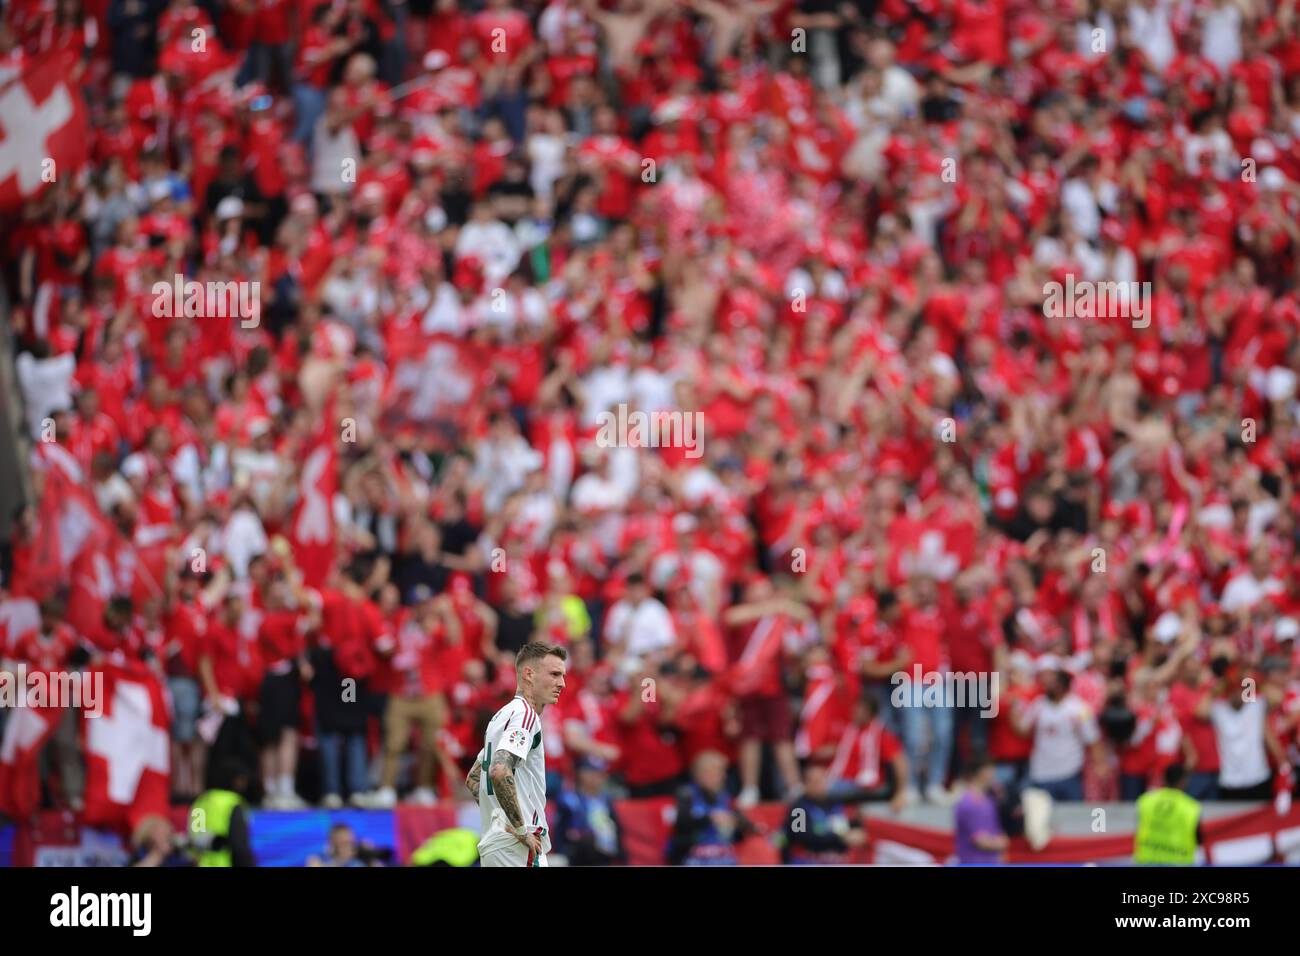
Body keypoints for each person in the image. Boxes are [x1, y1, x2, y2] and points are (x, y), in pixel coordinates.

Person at [464, 641, 568, 867]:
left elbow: (473, 778)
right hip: (518, 845)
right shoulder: (525, 716)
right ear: (529, 674)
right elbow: (499, 770)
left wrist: (498, 819)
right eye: (554, 674)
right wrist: (520, 829)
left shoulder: (501, 716)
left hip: (497, 843)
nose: (562, 683)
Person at [1015, 662, 1108, 801]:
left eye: (1053, 682)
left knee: (1072, 818)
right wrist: (1013, 711)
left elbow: (1092, 738)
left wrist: (1100, 764)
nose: (1047, 685)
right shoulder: (1038, 705)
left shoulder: (1079, 709)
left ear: (1063, 684)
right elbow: (1023, 730)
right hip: (1042, 772)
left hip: (1069, 772)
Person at [667, 750, 758, 866]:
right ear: (702, 773)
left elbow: (745, 827)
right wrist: (710, 819)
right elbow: (681, 825)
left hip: (725, 859)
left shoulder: (725, 797)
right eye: (718, 772)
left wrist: (735, 821)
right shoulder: (686, 794)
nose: (723, 776)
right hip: (694, 859)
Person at [781, 762, 867, 865]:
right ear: (805, 784)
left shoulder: (836, 804)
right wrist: (841, 839)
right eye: (816, 781)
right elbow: (803, 837)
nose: (821, 785)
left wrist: (857, 832)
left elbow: (852, 825)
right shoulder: (798, 809)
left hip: (835, 861)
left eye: (823, 780)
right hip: (805, 861)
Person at [552, 756, 625, 866]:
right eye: (593, 773)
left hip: (604, 854)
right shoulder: (569, 799)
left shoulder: (606, 800)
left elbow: (617, 831)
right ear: (582, 774)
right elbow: (561, 832)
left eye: (601, 774)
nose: (599, 778)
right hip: (577, 855)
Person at [188, 757, 257, 867]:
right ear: (234, 780)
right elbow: (239, 847)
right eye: (241, 780)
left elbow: (194, 840)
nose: (244, 784)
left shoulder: (200, 801)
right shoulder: (231, 802)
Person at [1133, 763, 1203, 865]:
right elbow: (1199, 839)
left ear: (1164, 778)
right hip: (1179, 861)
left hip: (1147, 860)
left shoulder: (1146, 800)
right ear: (1183, 781)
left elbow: (1139, 826)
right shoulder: (1191, 806)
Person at [953, 757, 1009, 864]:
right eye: (990, 769)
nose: (993, 773)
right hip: (972, 863)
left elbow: (997, 831)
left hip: (992, 862)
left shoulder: (989, 801)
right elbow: (979, 840)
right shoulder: (966, 803)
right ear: (981, 772)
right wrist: (1000, 843)